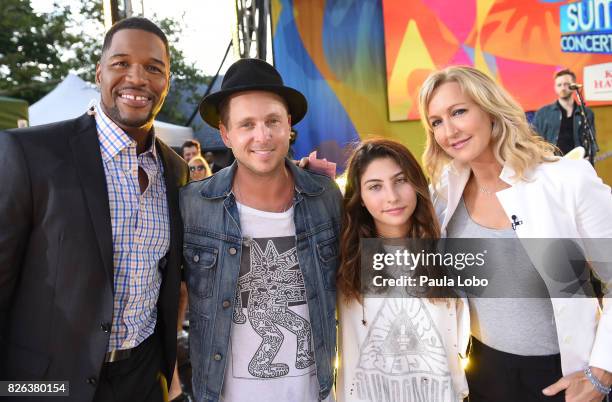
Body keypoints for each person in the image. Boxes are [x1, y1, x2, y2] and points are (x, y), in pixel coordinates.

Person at [0, 17, 189, 402]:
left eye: (154, 68)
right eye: (121, 63)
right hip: (47, 385)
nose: (137, 78)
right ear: (99, 72)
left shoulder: (176, 170)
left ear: (167, 81)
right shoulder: (31, 154)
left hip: (142, 380)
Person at [418, 65, 612, 402]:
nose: (448, 131)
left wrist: (602, 371)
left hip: (563, 376)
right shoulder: (444, 191)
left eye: (459, 111)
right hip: (483, 372)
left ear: (490, 109)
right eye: (436, 122)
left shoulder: (567, 180)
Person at [180, 58, 342, 402]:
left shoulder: (325, 196)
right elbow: (170, 294)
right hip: (225, 394)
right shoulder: (194, 205)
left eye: (272, 121)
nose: (262, 136)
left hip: (317, 393)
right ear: (225, 134)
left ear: (289, 126)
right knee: (275, 336)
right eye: (246, 124)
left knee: (294, 332)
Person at [336, 138, 469, 402]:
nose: (392, 196)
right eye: (375, 187)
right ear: (359, 197)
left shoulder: (446, 250)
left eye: (401, 180)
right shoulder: (343, 260)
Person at [532, 69, 598, 156]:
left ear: (573, 85)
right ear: (555, 88)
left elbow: (591, 141)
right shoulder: (543, 113)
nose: (563, 88)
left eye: (566, 84)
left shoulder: (586, 112)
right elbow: (534, 139)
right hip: (553, 163)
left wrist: (588, 158)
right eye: (559, 85)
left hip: (578, 162)